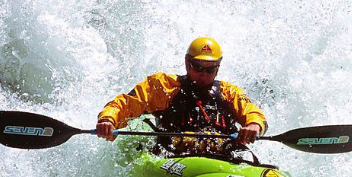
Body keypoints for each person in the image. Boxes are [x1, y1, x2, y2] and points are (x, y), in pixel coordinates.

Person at [96, 37, 267, 153]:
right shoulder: (163, 86)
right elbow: (124, 104)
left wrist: (254, 126)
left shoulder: (229, 92)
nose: (204, 74)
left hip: (223, 157)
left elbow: (252, 113)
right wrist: (108, 120)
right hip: (173, 156)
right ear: (187, 63)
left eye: (210, 69)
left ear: (218, 68)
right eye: (198, 67)